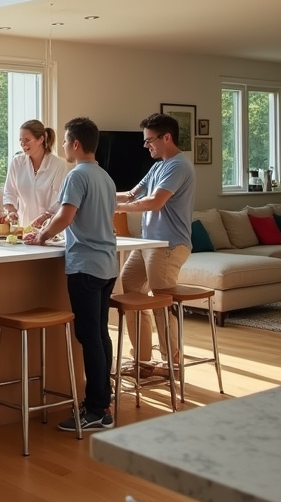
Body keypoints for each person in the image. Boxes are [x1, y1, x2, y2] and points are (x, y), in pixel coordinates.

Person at [25, 117, 117, 430]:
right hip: (107, 265)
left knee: (89, 337)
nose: (63, 145)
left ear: (76, 144)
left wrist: (41, 236)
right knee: (101, 334)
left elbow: (67, 215)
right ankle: (103, 402)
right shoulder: (104, 176)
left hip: (86, 265)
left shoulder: (77, 175)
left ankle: (96, 410)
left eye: (65, 141)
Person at [116, 113, 195, 374]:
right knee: (130, 290)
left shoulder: (178, 166)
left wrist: (119, 208)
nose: (145, 145)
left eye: (149, 140)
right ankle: (143, 361)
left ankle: (171, 364)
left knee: (161, 302)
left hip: (168, 245)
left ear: (167, 137)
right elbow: (132, 194)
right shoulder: (159, 166)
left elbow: (154, 202)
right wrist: (97, 193)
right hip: (149, 243)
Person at [3, 119, 68, 227]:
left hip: (49, 229)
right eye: (20, 140)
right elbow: (9, 192)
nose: (22, 144)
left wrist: (44, 217)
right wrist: (11, 211)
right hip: (23, 227)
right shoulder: (17, 162)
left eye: (27, 140)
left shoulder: (58, 165)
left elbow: (58, 200)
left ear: (41, 139)